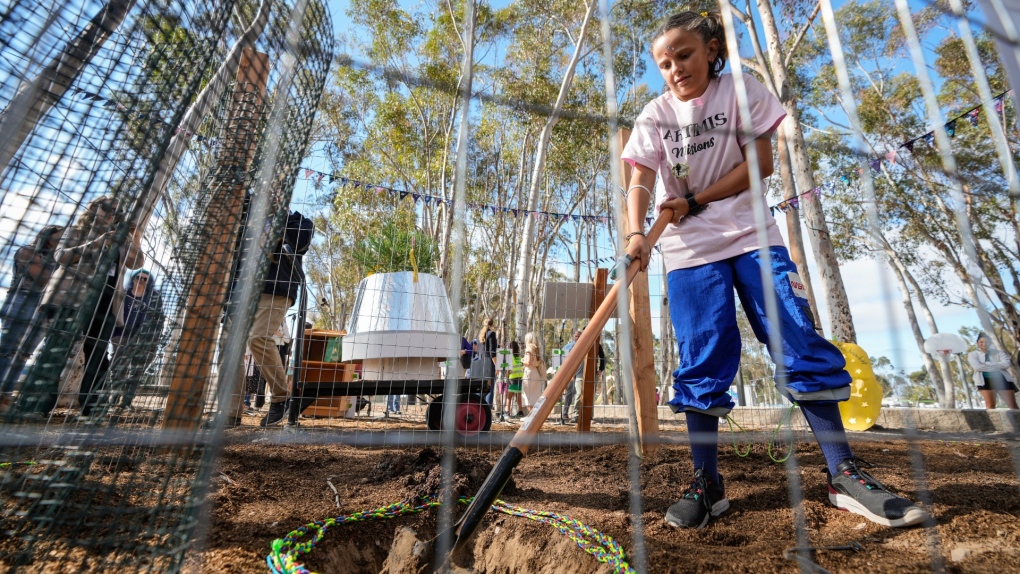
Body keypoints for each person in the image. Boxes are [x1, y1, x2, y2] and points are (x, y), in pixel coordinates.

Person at [621, 11, 928, 530]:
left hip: (751, 237)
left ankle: (843, 473)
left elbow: (759, 164)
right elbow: (641, 180)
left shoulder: (740, 91)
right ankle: (706, 482)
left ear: (712, 49)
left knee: (796, 338)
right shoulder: (654, 114)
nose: (674, 68)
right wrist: (635, 232)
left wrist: (693, 199)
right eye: (664, 62)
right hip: (689, 252)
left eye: (685, 54)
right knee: (702, 357)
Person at [18, 197, 143, 419]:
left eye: (117, 211)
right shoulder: (75, 231)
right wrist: (98, 241)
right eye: (108, 208)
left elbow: (136, 263)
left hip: (105, 302)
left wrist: (135, 236)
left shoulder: (121, 239)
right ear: (94, 209)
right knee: (56, 350)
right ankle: (34, 407)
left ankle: (92, 410)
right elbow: (62, 256)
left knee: (97, 355)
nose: (112, 213)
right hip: (71, 299)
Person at [227, 210, 314, 427]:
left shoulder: (298, 222)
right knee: (230, 347)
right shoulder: (244, 217)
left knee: (258, 338)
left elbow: (300, 243)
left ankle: (281, 397)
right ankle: (230, 413)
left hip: (276, 288)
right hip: (240, 290)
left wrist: (277, 227)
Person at [0, 225, 63, 407]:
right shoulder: (28, 251)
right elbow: (42, 277)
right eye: (60, 235)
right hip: (23, 299)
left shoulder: (58, 258)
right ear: (48, 235)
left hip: (45, 304)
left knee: (24, 353)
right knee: (7, 349)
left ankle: (6, 397)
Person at [107, 268, 164, 410]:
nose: (141, 281)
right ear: (133, 279)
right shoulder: (123, 294)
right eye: (138, 277)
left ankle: (126, 401)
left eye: (145, 279)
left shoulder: (155, 297)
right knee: (119, 366)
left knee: (137, 371)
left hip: (145, 337)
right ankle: (114, 396)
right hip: (122, 334)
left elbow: (159, 319)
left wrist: (154, 339)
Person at [967, 333, 1018, 410]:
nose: (984, 344)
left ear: (990, 343)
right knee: (990, 405)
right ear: (977, 343)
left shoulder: (999, 353)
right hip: (984, 381)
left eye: (987, 342)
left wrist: (988, 364)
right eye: (981, 342)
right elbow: (977, 367)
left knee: (1012, 405)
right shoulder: (973, 354)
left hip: (1003, 380)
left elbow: (1006, 364)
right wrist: (998, 366)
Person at [559, 329, 584, 424]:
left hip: (580, 373)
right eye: (576, 336)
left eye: (579, 336)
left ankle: (576, 414)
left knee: (578, 393)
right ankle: (565, 412)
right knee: (569, 393)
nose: (577, 338)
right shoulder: (568, 346)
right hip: (570, 373)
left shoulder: (585, 345)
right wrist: (568, 374)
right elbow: (563, 360)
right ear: (573, 336)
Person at [521, 332, 544, 414]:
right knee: (534, 396)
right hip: (536, 372)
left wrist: (522, 360)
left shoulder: (528, 350)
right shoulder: (537, 350)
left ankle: (532, 416)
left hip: (529, 373)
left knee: (527, 396)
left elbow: (528, 362)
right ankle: (535, 415)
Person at [478, 318, 497, 405]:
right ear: (492, 325)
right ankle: (488, 408)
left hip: (481, 363)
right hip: (489, 364)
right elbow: (492, 352)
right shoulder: (492, 334)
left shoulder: (480, 336)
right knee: (490, 387)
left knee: (482, 387)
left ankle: (480, 407)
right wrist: (496, 365)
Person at [507, 341, 524, 418]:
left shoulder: (510, 357)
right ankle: (520, 411)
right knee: (518, 395)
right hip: (519, 378)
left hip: (512, 378)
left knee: (509, 397)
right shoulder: (519, 357)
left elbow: (509, 369)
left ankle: (507, 412)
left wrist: (506, 375)